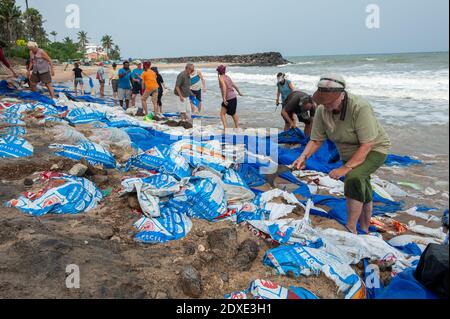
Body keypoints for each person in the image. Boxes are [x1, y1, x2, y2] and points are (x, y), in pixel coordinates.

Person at [293, 74, 392, 235]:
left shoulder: (359, 107)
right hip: (348, 153)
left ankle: (351, 227)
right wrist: (303, 157)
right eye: (323, 102)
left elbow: (367, 144)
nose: (327, 106)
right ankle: (365, 228)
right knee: (362, 185)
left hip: (374, 149)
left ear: (342, 95)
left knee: (353, 178)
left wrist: (345, 168)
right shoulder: (321, 110)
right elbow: (316, 140)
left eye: (330, 102)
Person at [217, 65, 243, 130]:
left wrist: (224, 98)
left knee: (226, 114)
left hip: (228, 98)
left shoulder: (221, 78)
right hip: (233, 97)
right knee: (228, 113)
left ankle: (227, 128)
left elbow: (224, 88)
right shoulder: (227, 77)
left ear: (218, 71)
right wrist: (239, 92)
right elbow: (234, 85)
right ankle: (235, 128)